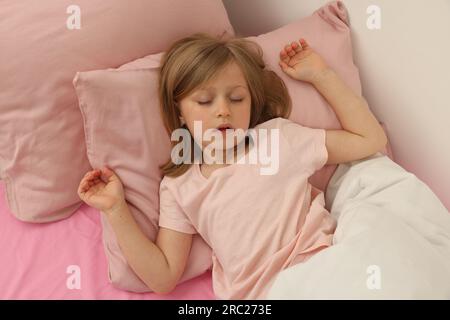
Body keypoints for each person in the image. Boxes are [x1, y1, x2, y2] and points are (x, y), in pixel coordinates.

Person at [78, 33, 387, 299]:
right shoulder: (180, 185)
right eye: (205, 101)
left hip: (324, 271)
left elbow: (369, 139)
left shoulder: (278, 139)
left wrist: (323, 77)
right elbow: (163, 277)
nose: (223, 111)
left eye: (237, 99)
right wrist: (116, 209)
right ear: (180, 111)